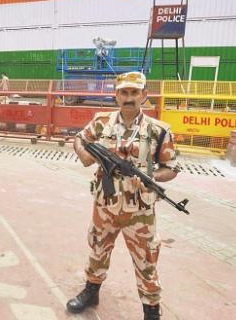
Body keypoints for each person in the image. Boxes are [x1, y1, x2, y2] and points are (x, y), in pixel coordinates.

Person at [68, 71, 179, 320]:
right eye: (124, 92)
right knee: (98, 248)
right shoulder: (101, 122)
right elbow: (79, 139)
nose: (129, 98)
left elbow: (171, 169)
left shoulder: (159, 130)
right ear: (116, 95)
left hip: (140, 211)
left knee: (146, 261)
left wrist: (151, 178)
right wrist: (86, 155)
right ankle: (91, 291)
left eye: (134, 92)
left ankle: (151, 310)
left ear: (144, 96)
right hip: (105, 204)